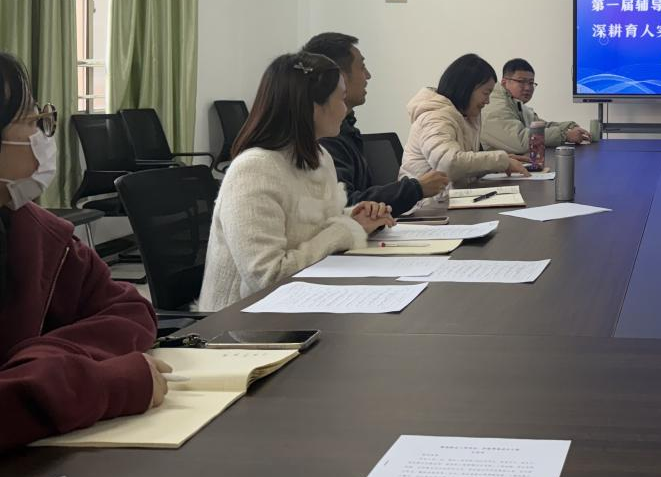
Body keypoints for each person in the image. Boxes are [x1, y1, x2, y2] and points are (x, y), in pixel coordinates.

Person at [0, 52, 167, 450]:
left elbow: (130, 309)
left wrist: (43, 360)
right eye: (31, 122)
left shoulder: (34, 229)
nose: (42, 138)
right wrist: (102, 382)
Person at [199, 52, 395, 312]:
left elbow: (312, 226)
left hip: (304, 303)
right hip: (243, 321)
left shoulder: (320, 157)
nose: (345, 109)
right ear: (314, 107)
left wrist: (354, 218)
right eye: (341, 98)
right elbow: (268, 278)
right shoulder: (253, 171)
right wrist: (347, 230)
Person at [302, 32, 449, 215]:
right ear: (340, 78)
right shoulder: (324, 138)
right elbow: (346, 206)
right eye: (362, 67)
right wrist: (416, 188)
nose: (368, 75)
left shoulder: (345, 130)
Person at [401, 54, 530, 186]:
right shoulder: (435, 117)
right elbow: (449, 164)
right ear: (466, 89)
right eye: (486, 93)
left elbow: (464, 169)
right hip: (429, 199)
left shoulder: (464, 117)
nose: (487, 101)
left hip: (451, 195)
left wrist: (499, 162)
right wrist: (499, 161)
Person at [480, 58, 590, 154]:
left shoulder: (517, 103)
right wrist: (565, 135)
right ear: (504, 83)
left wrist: (569, 126)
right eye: (521, 81)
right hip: (493, 170)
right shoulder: (494, 105)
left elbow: (541, 127)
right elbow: (520, 141)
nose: (528, 88)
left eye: (531, 82)